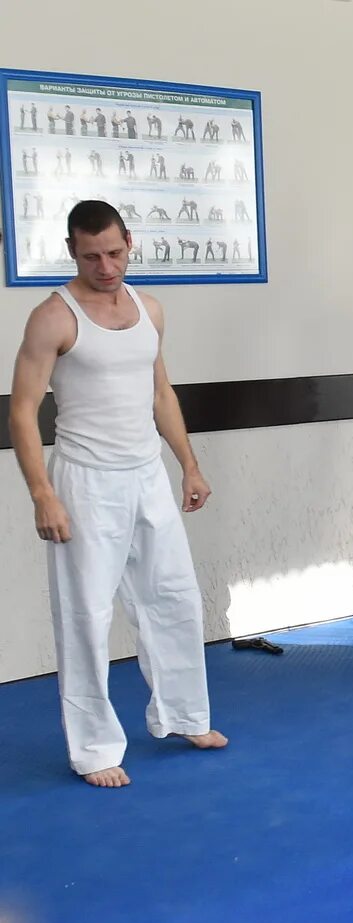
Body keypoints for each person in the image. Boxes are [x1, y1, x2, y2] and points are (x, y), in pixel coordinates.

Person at [8, 200, 227, 788]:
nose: (105, 267)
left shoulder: (149, 309)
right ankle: (94, 749)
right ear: (71, 251)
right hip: (84, 481)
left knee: (175, 599)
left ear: (130, 242)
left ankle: (186, 716)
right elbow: (23, 411)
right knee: (86, 615)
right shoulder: (53, 317)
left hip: (147, 473)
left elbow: (160, 393)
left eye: (113, 253)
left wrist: (189, 466)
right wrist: (42, 494)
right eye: (90, 256)